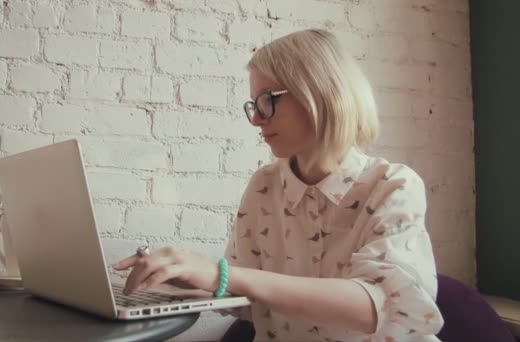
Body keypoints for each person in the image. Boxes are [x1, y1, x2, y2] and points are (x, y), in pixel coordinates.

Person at [113, 29, 444, 341]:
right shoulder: (264, 186)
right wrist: (180, 277)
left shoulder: (392, 185)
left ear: (319, 93)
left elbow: (376, 305)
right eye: (254, 104)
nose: (257, 118)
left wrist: (220, 274)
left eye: (267, 100)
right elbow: (245, 298)